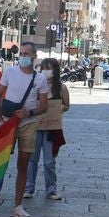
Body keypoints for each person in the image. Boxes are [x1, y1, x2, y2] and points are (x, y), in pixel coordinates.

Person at [0, 41, 49, 217]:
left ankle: (18, 206)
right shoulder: (10, 72)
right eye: (22, 54)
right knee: (0, 164)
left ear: (34, 57)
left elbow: (44, 106)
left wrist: (30, 112)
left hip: (28, 124)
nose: (23, 57)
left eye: (27, 54)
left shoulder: (40, 79)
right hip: (7, 123)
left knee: (23, 164)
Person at [26, 57, 70, 200]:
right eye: (44, 68)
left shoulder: (61, 88)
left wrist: (61, 108)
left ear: (55, 70)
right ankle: (28, 188)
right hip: (35, 126)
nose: (46, 71)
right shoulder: (36, 85)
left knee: (49, 161)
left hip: (52, 128)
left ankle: (51, 189)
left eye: (49, 68)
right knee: (32, 159)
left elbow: (67, 105)